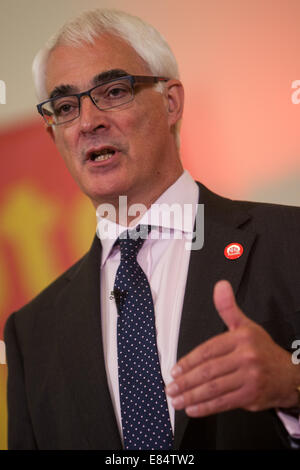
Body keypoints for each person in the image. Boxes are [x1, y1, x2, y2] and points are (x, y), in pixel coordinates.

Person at [4, 8, 300, 450]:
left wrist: (291, 388)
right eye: (66, 107)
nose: (88, 122)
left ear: (171, 101)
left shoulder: (289, 242)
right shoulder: (31, 334)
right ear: (54, 137)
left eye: (114, 91)